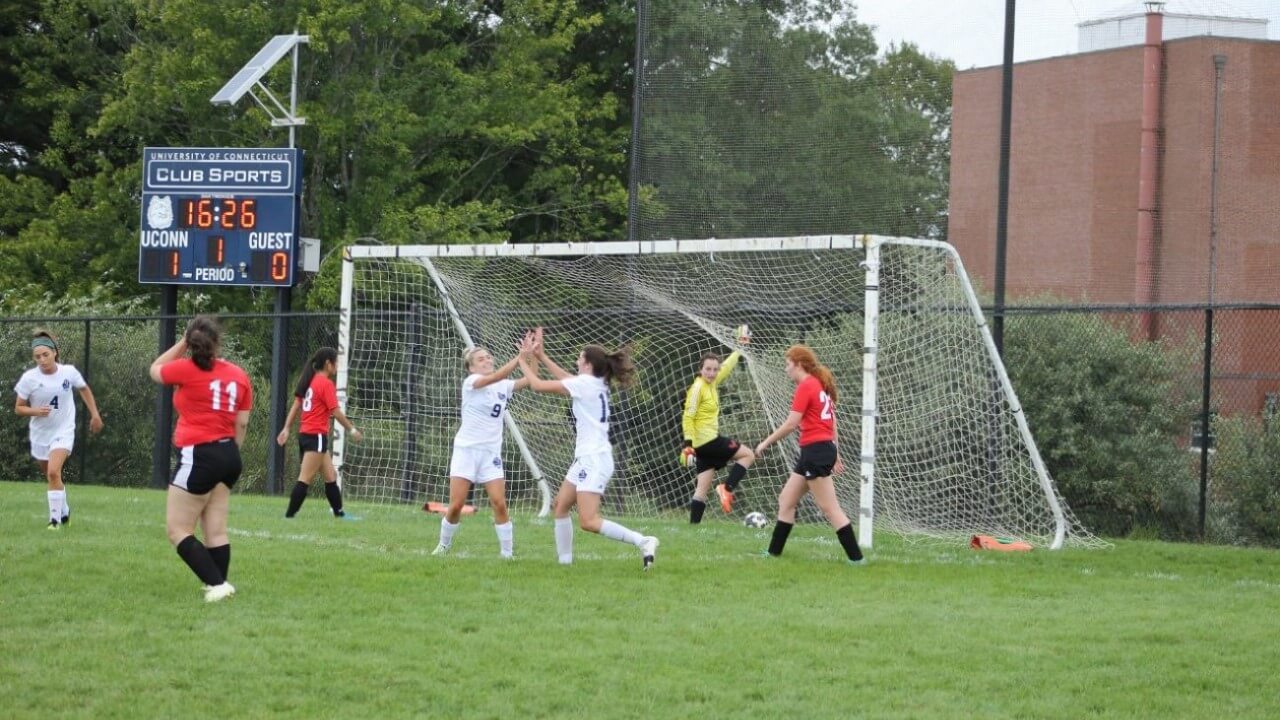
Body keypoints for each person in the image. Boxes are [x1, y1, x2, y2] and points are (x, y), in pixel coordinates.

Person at [517, 328, 659, 570]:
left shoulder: (586, 384)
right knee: (560, 506)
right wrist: (541, 357)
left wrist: (523, 360)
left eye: (579, 358)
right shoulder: (592, 383)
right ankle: (565, 565)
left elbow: (539, 386)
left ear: (587, 364)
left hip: (594, 459)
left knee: (588, 521)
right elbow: (567, 380)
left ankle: (643, 540)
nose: (576, 361)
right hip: (587, 458)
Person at [150, 316, 252, 602]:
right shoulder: (239, 375)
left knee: (177, 529)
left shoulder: (186, 368)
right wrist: (230, 451)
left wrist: (182, 342)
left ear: (192, 343)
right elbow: (241, 423)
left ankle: (218, 585)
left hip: (199, 453)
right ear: (217, 341)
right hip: (229, 454)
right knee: (215, 529)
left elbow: (155, 369)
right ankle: (218, 584)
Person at [753, 344, 864, 564]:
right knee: (786, 500)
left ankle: (857, 559)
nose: (786, 369)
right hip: (817, 451)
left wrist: (765, 442)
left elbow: (791, 423)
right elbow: (832, 422)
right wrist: (836, 454)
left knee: (829, 508)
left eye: (788, 365)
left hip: (816, 451)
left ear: (799, 364)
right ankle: (773, 554)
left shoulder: (807, 386)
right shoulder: (818, 386)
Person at [432, 341, 532, 558]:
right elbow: (494, 377)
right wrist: (520, 357)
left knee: (499, 503)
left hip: (490, 453)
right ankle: (443, 545)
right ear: (471, 368)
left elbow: (531, 377)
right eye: (481, 359)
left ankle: (507, 554)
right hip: (466, 451)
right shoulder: (472, 382)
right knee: (457, 505)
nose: (487, 360)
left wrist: (533, 355)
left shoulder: (503, 385)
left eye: (488, 357)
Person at [13, 330, 104, 529]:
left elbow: (84, 389)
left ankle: (54, 521)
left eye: (45, 355)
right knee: (50, 475)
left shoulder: (68, 372)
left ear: (55, 352)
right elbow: (18, 408)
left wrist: (95, 414)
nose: (42, 360)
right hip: (40, 434)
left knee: (54, 472)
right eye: (37, 357)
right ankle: (64, 509)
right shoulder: (29, 378)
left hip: (63, 431)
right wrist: (36, 410)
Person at [276, 347, 363, 519]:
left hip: (306, 435)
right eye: (336, 362)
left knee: (331, 475)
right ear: (328, 364)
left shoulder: (310, 380)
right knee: (305, 478)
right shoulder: (325, 384)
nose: (337, 365)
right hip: (316, 436)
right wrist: (352, 430)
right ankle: (289, 516)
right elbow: (336, 412)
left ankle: (339, 514)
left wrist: (286, 428)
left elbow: (296, 405)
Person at [681, 334, 755, 522]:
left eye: (715, 369)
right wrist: (687, 444)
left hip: (702, 446)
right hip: (708, 441)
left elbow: (727, 367)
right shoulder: (697, 388)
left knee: (701, 490)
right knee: (748, 455)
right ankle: (726, 488)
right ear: (700, 370)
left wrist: (739, 348)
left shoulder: (712, 382)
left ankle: (693, 528)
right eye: (708, 369)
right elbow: (688, 416)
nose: (712, 373)